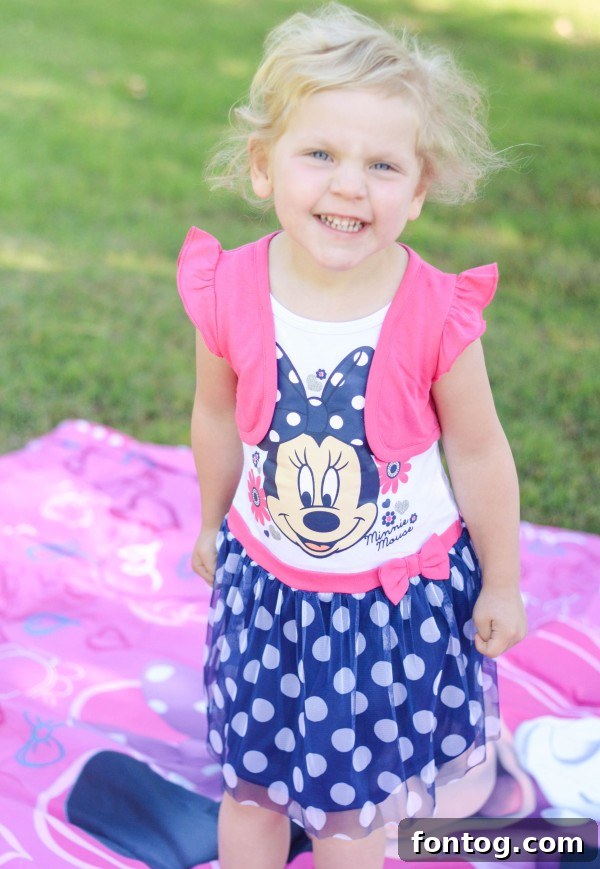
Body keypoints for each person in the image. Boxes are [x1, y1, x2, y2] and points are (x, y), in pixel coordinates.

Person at [176, 4, 527, 867]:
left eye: (382, 164)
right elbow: (216, 414)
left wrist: (504, 583)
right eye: (320, 154)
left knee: (351, 816)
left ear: (417, 190)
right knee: (250, 788)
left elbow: (479, 451)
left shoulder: (435, 316)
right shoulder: (228, 290)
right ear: (264, 167)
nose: (348, 185)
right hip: (269, 593)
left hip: (386, 612)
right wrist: (212, 519)